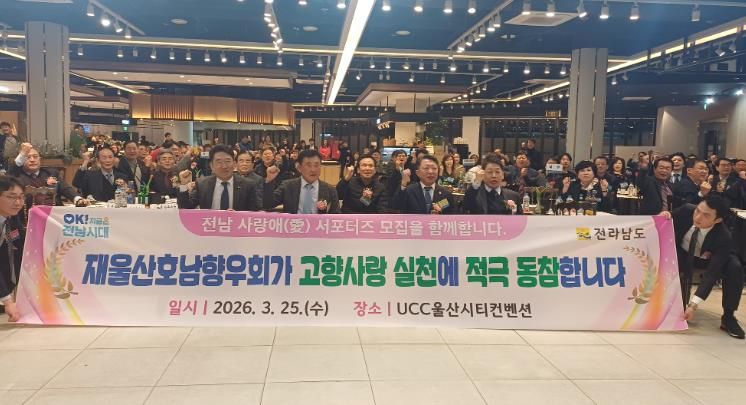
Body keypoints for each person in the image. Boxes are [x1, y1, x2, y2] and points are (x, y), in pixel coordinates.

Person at [663, 196, 744, 339]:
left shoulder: (724, 237)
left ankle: (728, 316)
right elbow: (666, 217)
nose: (698, 217)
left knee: (734, 267)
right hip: (682, 253)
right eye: (698, 211)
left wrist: (694, 305)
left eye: (706, 215)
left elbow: (712, 274)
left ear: (717, 220)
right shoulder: (686, 210)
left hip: (709, 259)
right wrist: (665, 215)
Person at [177, 145, 262, 211]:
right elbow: (185, 207)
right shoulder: (202, 184)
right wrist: (183, 185)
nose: (224, 166)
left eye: (228, 161)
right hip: (209, 226)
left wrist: (238, 216)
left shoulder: (248, 185)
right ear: (211, 166)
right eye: (219, 162)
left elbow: (255, 212)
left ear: (234, 164)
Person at [10, 143, 88, 208]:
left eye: (35, 157)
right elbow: (10, 173)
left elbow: (66, 189)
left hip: (54, 216)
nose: (32, 160)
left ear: (40, 159)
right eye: (27, 157)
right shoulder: (16, 176)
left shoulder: (51, 173)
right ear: (22, 160)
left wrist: (78, 199)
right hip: (27, 217)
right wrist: (22, 154)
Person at [267, 149, 340, 214]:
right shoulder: (287, 186)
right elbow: (268, 203)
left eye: (316, 165)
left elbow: (336, 216)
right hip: (295, 224)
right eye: (308, 165)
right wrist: (269, 181)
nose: (313, 170)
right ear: (299, 168)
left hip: (318, 225)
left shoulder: (330, 190)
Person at [0, 176, 26, 321]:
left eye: (21, 197)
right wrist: (8, 301)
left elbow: (23, 246)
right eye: (11, 197)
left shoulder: (11, 216)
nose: (18, 203)